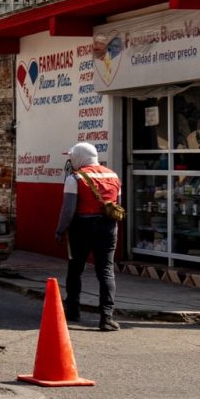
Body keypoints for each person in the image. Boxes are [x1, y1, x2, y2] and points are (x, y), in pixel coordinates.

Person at [55, 141, 122, 331]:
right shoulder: (113, 175)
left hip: (82, 228)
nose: (70, 161)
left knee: (75, 268)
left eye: (72, 157)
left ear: (80, 157)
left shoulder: (74, 178)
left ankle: (73, 310)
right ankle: (106, 318)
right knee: (106, 271)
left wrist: (60, 231)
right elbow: (117, 203)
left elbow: (68, 210)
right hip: (108, 227)